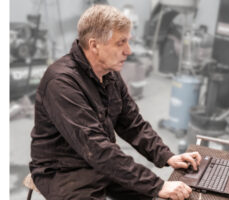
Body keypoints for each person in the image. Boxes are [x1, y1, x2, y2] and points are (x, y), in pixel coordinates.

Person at [29, 5, 201, 200]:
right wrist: (158, 185)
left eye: (128, 42)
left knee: (147, 195)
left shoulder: (109, 74)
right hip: (63, 169)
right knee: (153, 188)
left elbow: (132, 123)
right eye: (121, 43)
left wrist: (166, 155)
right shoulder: (61, 83)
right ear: (94, 45)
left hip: (101, 160)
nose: (128, 51)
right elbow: (95, 147)